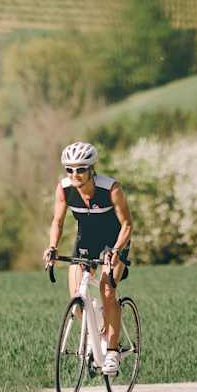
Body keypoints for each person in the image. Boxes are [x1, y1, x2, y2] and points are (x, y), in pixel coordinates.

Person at [43, 141, 133, 376]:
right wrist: (52, 247)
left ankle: (112, 351)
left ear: (92, 169)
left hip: (114, 241)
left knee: (107, 289)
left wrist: (116, 250)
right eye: (69, 169)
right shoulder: (64, 189)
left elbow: (127, 225)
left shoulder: (111, 189)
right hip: (86, 240)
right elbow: (57, 222)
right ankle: (96, 337)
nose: (75, 174)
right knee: (77, 298)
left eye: (81, 169)